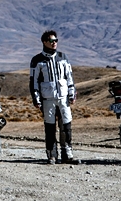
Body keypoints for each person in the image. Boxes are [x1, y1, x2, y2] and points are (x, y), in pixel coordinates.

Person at [29, 30, 80, 165]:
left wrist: (72, 93)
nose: (54, 43)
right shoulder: (37, 60)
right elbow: (34, 81)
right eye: (52, 41)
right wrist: (36, 98)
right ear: (44, 42)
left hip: (63, 98)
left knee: (66, 126)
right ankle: (52, 155)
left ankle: (67, 154)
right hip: (47, 99)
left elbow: (69, 77)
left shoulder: (63, 57)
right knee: (50, 128)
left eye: (56, 40)